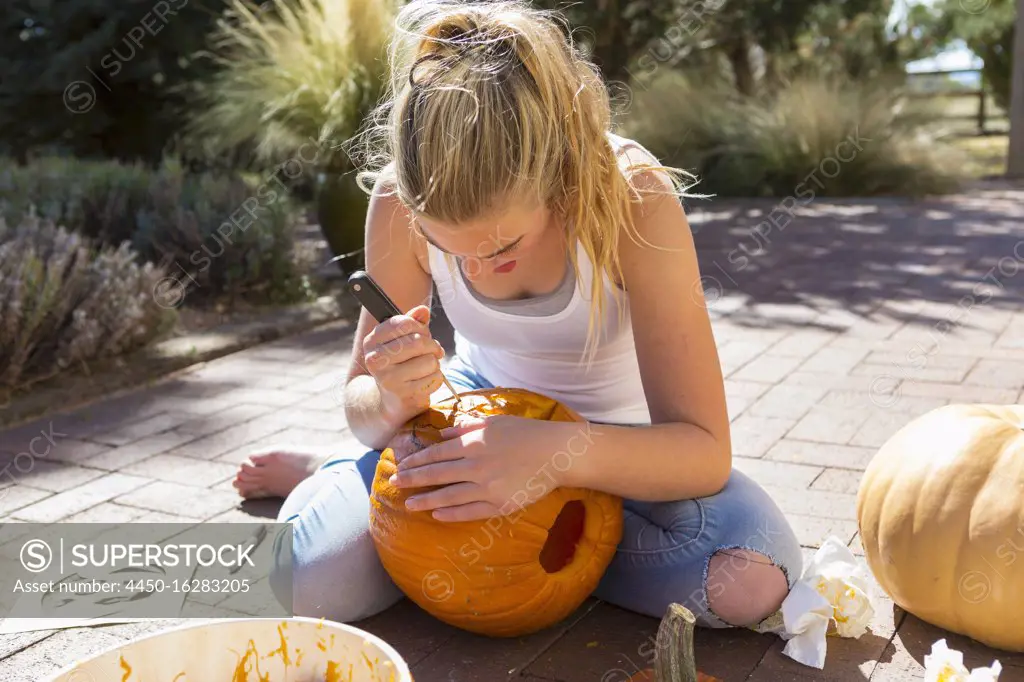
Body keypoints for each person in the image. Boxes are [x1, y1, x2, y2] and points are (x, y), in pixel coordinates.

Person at [243, 0, 803, 631]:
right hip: (476, 418)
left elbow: (703, 454)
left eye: (502, 248)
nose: (474, 273)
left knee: (750, 580)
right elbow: (361, 408)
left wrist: (553, 459)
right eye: (450, 251)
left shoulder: (632, 199)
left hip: (619, 447)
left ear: (560, 173)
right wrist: (392, 399)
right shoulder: (398, 201)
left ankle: (490, 539)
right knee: (286, 582)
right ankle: (353, 485)